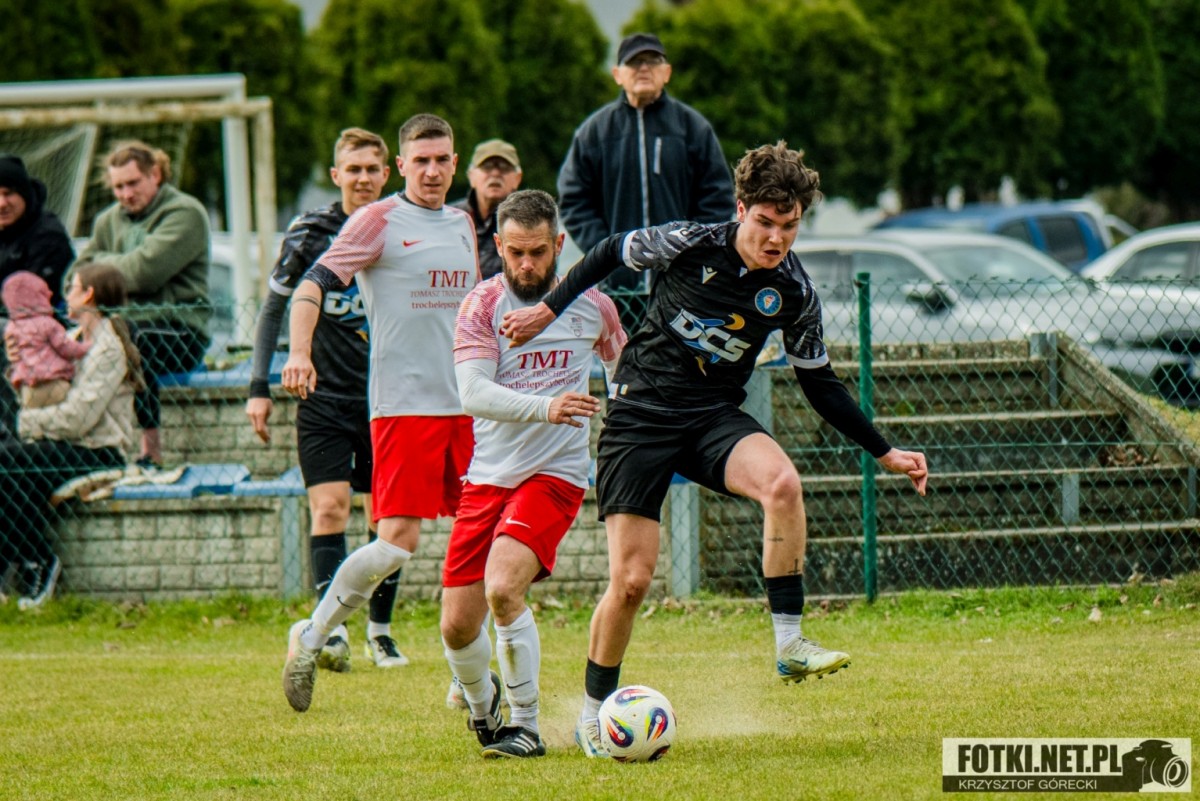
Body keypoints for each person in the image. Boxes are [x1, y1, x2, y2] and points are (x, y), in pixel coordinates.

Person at [502, 141, 930, 757]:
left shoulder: (794, 291)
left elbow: (821, 383)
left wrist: (884, 451)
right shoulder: (689, 242)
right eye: (766, 222)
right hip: (640, 414)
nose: (776, 238)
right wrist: (548, 309)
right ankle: (593, 716)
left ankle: (789, 643)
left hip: (710, 417)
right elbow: (607, 252)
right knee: (631, 581)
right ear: (741, 209)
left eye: (789, 226)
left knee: (782, 484)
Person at [281, 113, 479, 712]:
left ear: (454, 163)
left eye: (442, 160)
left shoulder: (464, 223)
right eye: (421, 160)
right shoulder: (378, 220)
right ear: (401, 166)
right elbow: (311, 285)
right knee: (397, 543)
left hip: (469, 405)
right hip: (404, 408)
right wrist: (298, 352)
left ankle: (470, 675)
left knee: (487, 538)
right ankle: (313, 635)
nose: (432, 171)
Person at [442, 189, 626, 758]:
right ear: (498, 245)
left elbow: (623, 377)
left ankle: (526, 726)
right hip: (487, 477)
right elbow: (473, 393)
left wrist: (627, 436)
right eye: (515, 252)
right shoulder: (481, 306)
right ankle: (486, 711)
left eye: (538, 252)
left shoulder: (594, 307)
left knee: (503, 588)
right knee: (456, 627)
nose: (526, 265)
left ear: (559, 245)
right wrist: (548, 406)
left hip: (555, 473)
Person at [246, 128, 408, 670]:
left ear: (386, 174)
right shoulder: (310, 232)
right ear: (337, 175)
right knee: (330, 507)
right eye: (352, 169)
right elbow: (274, 307)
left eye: (371, 169)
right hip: (322, 396)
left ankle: (380, 631)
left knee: (385, 518)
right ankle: (331, 630)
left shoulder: (402, 227)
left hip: (388, 398)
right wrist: (259, 387)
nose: (362, 178)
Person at [0, 263, 143, 610]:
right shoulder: (74, 339)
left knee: (9, 460)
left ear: (89, 295)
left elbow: (80, 418)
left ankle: (39, 560)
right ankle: (21, 562)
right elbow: (48, 396)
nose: (64, 296)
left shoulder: (109, 348)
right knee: (10, 462)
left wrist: (27, 422)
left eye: (72, 289)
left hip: (98, 450)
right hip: (64, 442)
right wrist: (20, 369)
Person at [556, 32, 735, 299]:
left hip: (682, 286)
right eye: (633, 62)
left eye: (652, 60)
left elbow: (718, 196)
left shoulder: (692, 128)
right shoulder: (595, 132)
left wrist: (690, 249)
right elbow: (573, 198)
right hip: (618, 291)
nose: (643, 68)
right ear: (617, 74)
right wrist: (608, 252)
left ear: (667, 72)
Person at [73, 140, 211, 469]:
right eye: (118, 187)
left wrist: (100, 267)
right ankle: (86, 446)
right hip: (117, 326)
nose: (126, 194)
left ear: (155, 175)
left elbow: (145, 273)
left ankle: (151, 449)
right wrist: (111, 269)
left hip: (179, 331)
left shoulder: (185, 213)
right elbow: (75, 277)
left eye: (133, 183)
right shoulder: (107, 221)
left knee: (132, 340)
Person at [0, 154, 75, 435]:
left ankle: (12, 433)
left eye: (8, 193)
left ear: (24, 193)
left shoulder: (48, 234)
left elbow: (29, 306)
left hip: (47, 332)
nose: (2, 203)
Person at [2, 271, 90, 408]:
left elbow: (16, 355)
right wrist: (85, 347)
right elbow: (64, 347)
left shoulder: (12, 327)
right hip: (54, 382)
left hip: (28, 388)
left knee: (35, 416)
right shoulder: (46, 323)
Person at [451, 139, 523, 281]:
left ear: (517, 178)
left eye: (504, 167)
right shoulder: (451, 217)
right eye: (487, 167)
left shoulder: (528, 222)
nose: (495, 173)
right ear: (471, 176)